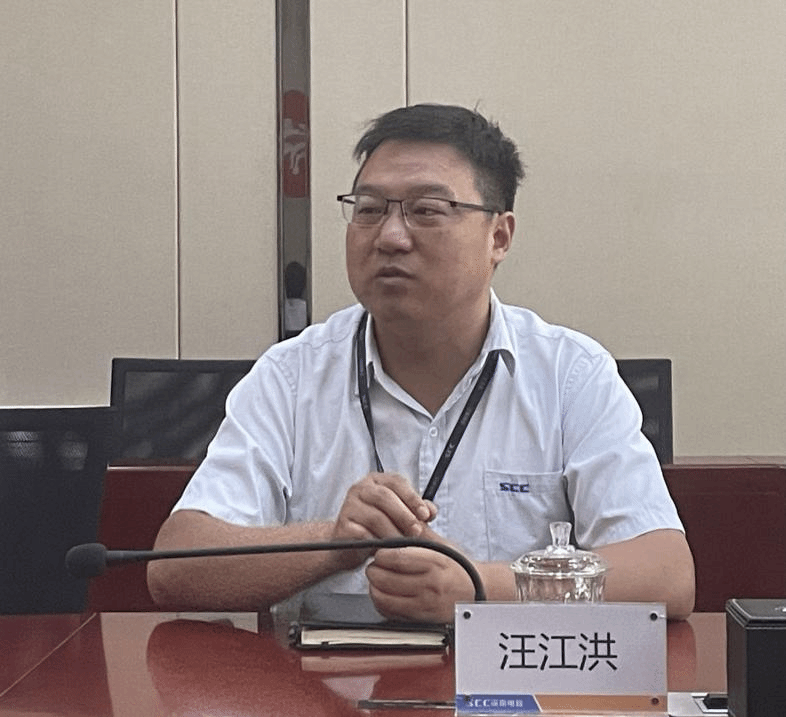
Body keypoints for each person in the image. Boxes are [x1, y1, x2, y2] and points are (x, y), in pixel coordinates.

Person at [147, 103, 695, 622]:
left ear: (499, 236)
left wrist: (478, 587)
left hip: (513, 681)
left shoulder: (570, 375)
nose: (390, 236)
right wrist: (332, 545)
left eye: (427, 211)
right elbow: (175, 568)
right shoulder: (291, 377)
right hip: (324, 678)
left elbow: (666, 575)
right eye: (369, 210)